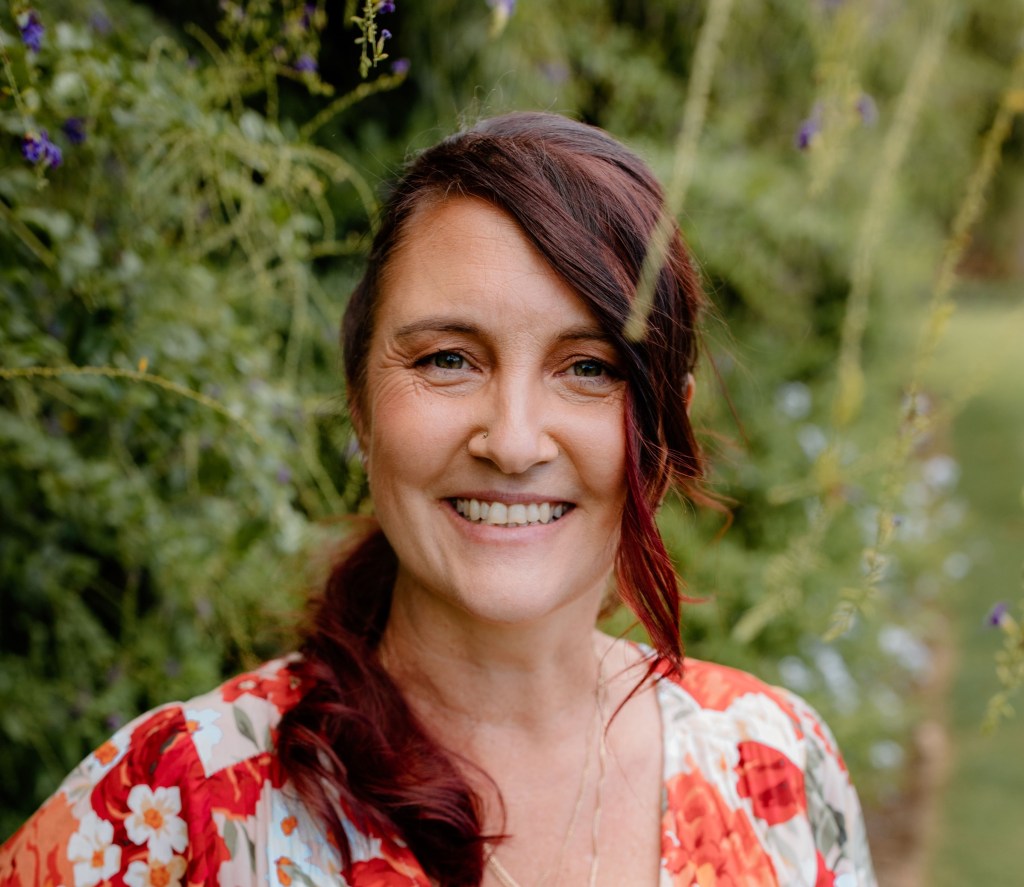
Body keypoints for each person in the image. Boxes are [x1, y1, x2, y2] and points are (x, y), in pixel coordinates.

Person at [0, 112, 877, 887]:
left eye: (589, 368)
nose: (514, 440)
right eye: (447, 359)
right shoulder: (178, 807)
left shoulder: (776, 767)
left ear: (665, 428)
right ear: (359, 401)